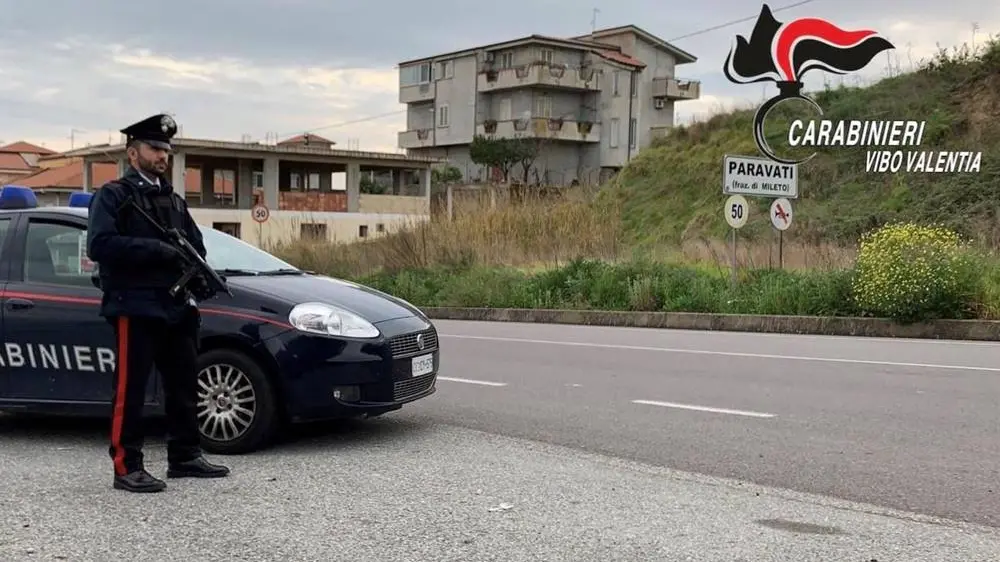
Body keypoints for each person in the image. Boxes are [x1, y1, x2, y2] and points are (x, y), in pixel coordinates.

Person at [87, 113, 230, 493]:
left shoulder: (173, 200)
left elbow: (195, 245)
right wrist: (156, 250)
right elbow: (99, 245)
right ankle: (127, 466)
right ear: (133, 153)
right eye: (154, 148)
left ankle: (184, 456)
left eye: (167, 150)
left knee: (183, 385)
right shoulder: (114, 196)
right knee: (130, 390)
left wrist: (197, 274)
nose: (163, 156)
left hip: (176, 305)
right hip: (135, 305)